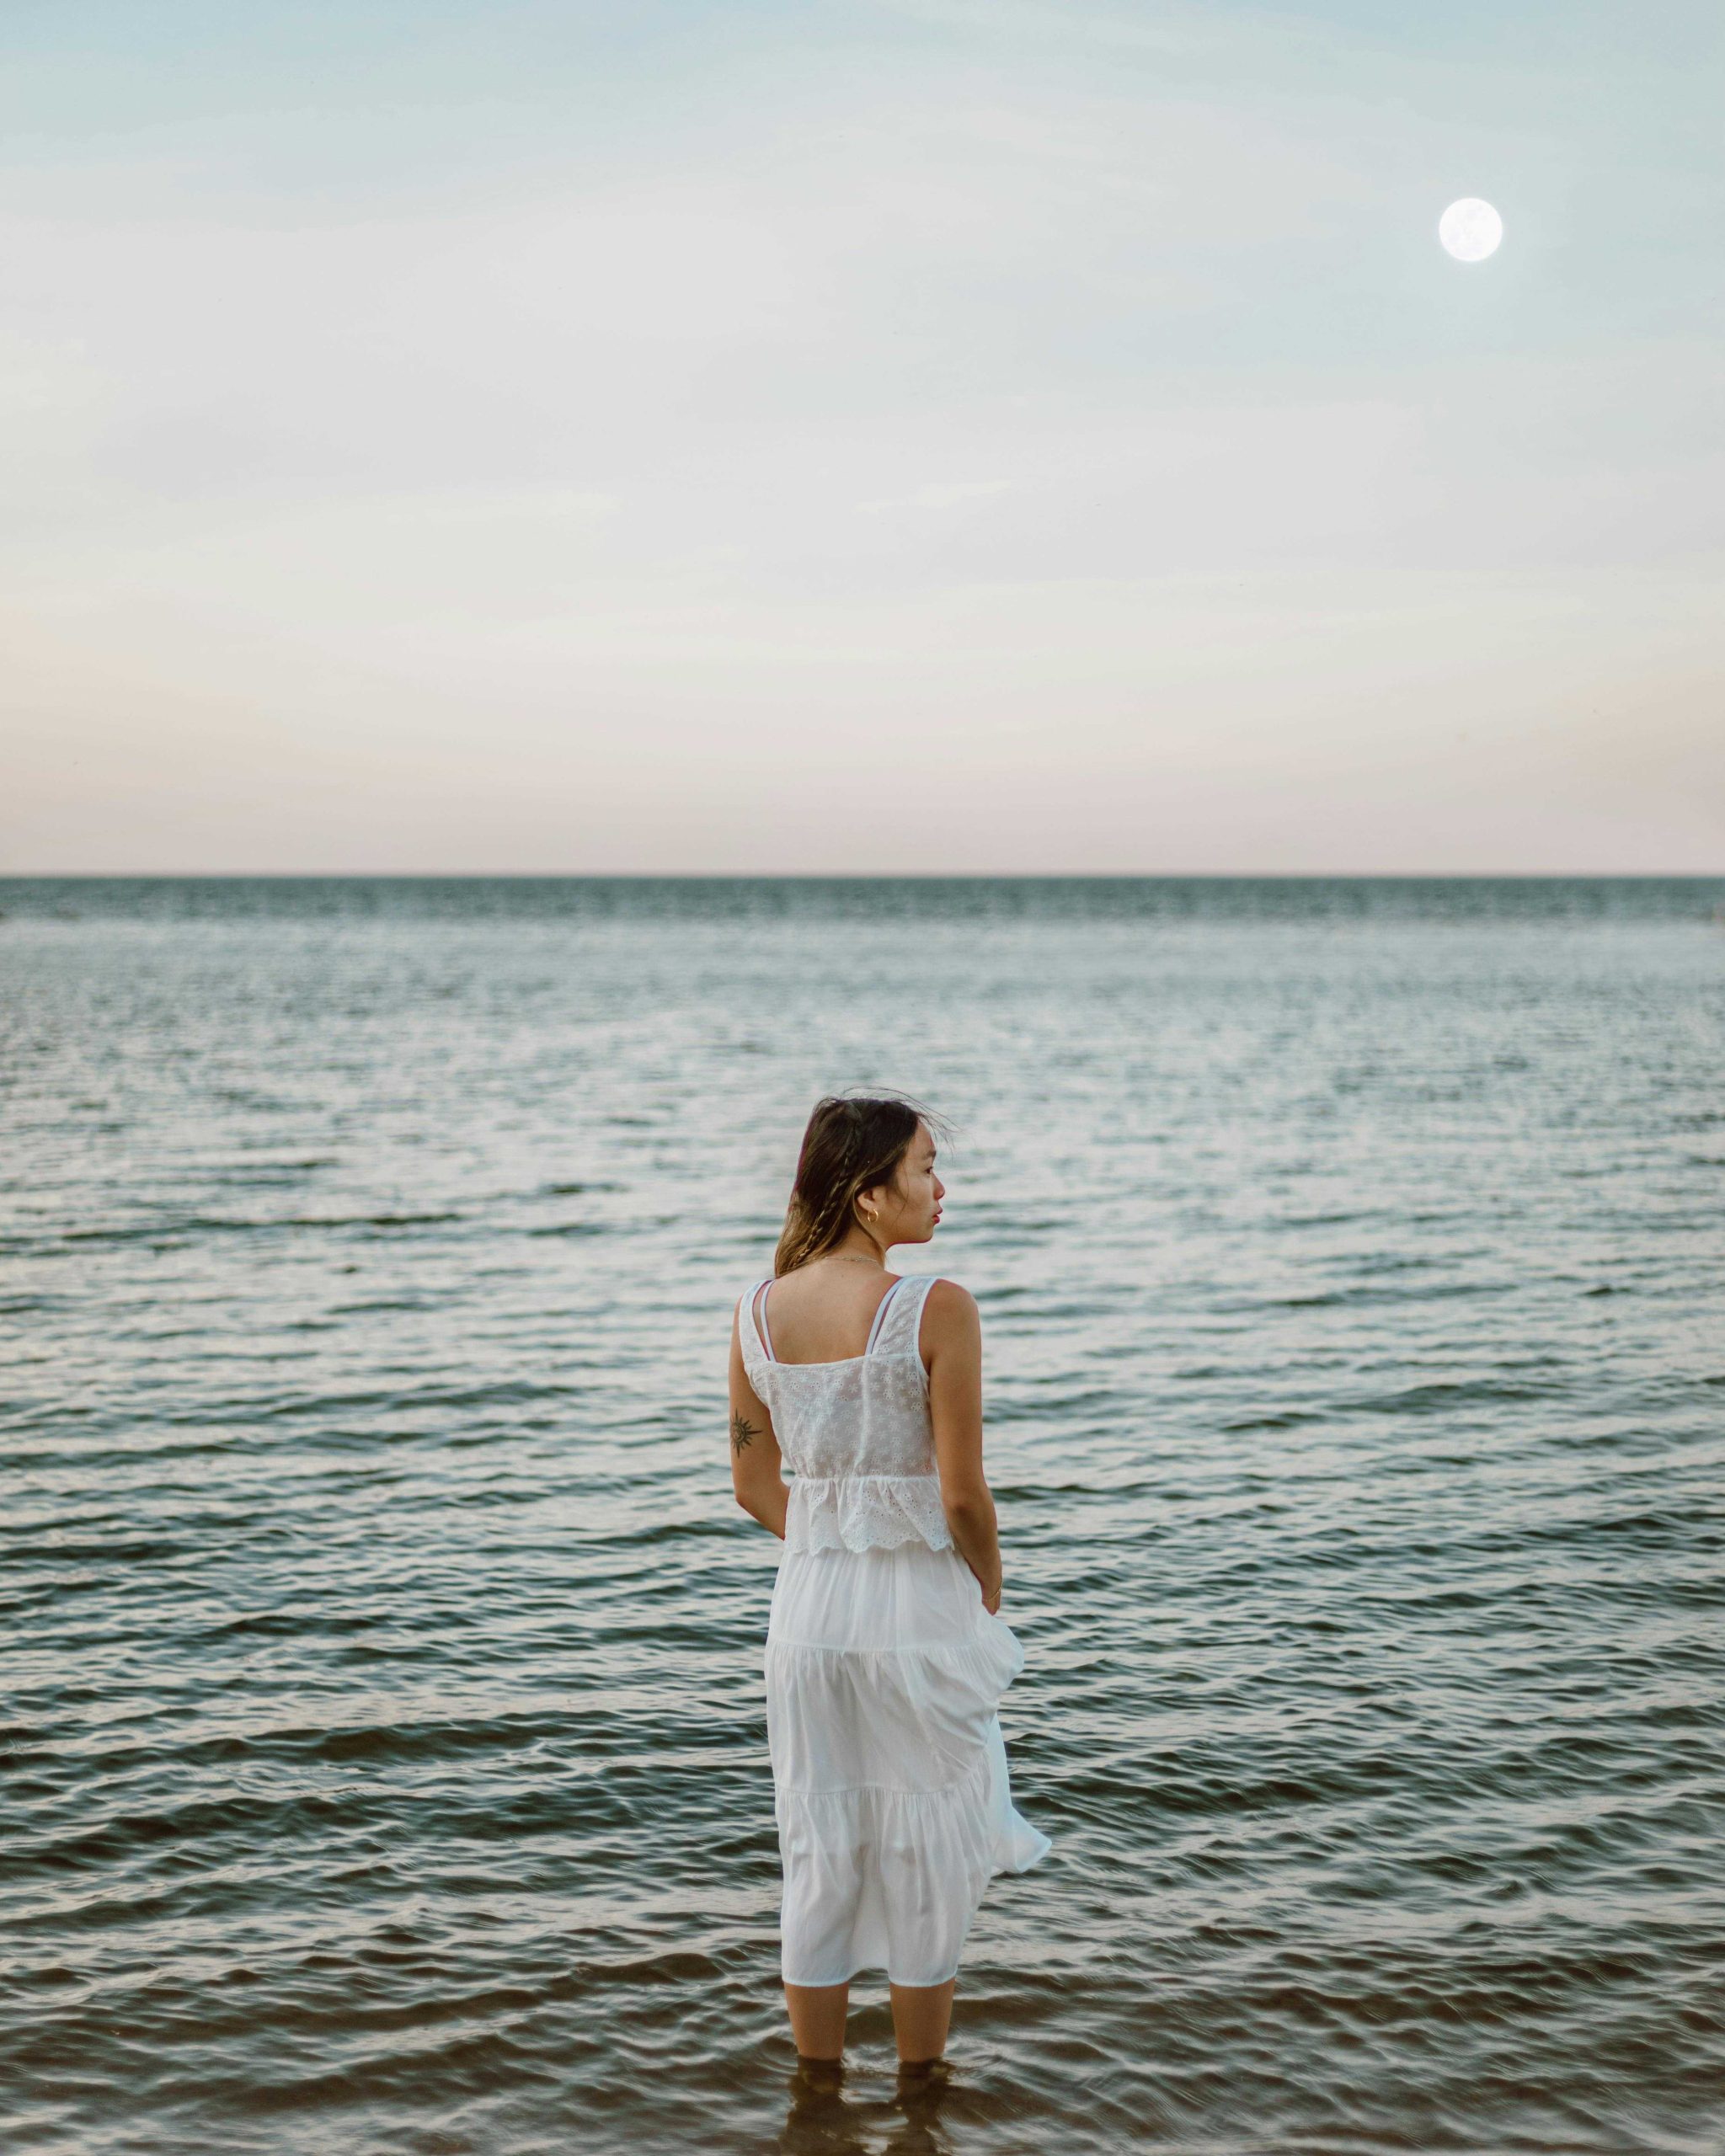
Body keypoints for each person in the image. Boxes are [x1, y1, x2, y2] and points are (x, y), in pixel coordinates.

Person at [728, 1093, 1051, 2079]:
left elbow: (751, 1487)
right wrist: (986, 1586)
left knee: (820, 1847)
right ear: (869, 1196)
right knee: (925, 1853)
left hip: (806, 1616)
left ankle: (815, 2098)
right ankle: (920, 2097)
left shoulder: (755, 1313)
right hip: (913, 1610)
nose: (940, 1187)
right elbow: (963, 1498)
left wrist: (834, 1540)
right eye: (923, 1167)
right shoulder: (935, 1306)